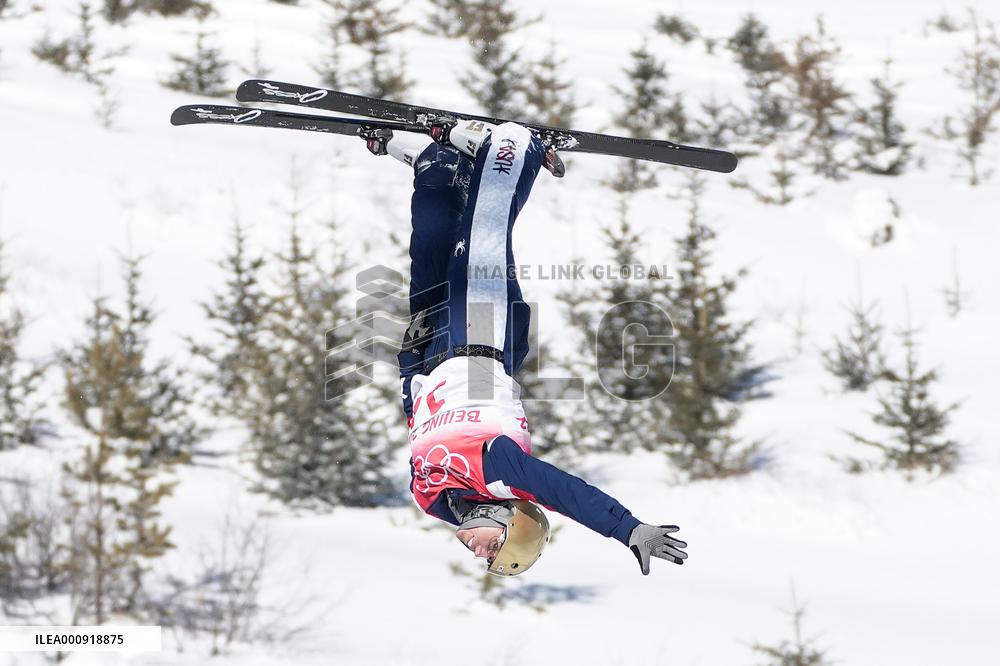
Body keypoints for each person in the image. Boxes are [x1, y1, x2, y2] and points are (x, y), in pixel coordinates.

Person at [363, 118, 688, 577]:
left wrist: (408, 359)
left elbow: (418, 417)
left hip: (430, 351)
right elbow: (565, 492)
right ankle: (512, 150)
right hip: (480, 339)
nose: (479, 554)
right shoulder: (500, 473)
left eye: (485, 559)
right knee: (484, 237)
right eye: (493, 550)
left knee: (431, 247)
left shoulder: (429, 498)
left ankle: (439, 166)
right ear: (511, 522)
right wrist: (626, 528)